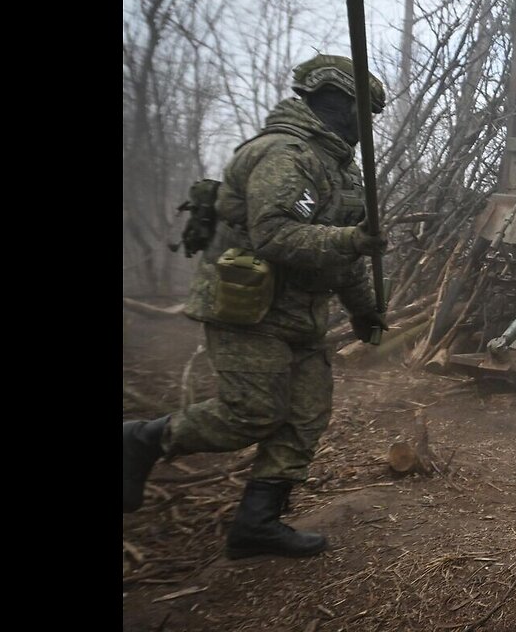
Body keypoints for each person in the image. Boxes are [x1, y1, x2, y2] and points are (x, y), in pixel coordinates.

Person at [122, 54, 391, 560]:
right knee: (252, 415)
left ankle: (257, 524)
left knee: (305, 416)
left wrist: (364, 311)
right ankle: (142, 440)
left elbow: (345, 257)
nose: (366, 128)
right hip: (250, 311)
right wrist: (353, 239)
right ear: (340, 104)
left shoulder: (340, 170)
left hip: (300, 315)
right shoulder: (285, 155)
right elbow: (275, 234)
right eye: (365, 115)